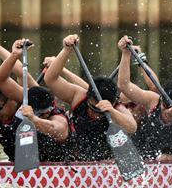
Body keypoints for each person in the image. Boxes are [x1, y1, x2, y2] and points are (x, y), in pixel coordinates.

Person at [45, 34, 137, 162]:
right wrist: (66, 50)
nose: (96, 114)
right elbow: (50, 79)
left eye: (101, 111)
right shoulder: (79, 96)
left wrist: (112, 112)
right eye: (93, 107)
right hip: (76, 160)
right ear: (88, 97)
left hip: (107, 162)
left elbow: (132, 127)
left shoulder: (117, 107)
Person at [117, 36, 172, 162]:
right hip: (149, 155)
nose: (167, 111)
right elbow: (124, 85)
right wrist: (125, 54)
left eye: (171, 107)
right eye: (165, 105)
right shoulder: (153, 100)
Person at [0, 39, 71, 162]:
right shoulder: (25, 97)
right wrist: (12, 53)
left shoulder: (56, 115)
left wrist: (34, 119)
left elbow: (59, 130)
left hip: (53, 163)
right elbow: (1, 79)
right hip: (17, 158)